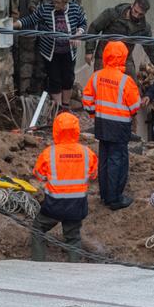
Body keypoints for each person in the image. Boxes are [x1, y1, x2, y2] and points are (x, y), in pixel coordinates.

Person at [31, 112, 98, 262]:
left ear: (56, 130)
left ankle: (37, 265)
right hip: (77, 205)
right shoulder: (87, 153)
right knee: (73, 238)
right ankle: (73, 270)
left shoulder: (49, 153)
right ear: (76, 130)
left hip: (54, 204)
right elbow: (93, 175)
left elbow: (39, 175)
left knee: (37, 229)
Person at [82, 41, 141, 210]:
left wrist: (95, 114)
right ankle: (115, 199)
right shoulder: (125, 81)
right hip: (120, 125)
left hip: (101, 124)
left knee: (105, 159)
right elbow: (135, 106)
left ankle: (105, 195)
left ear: (106, 55)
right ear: (123, 57)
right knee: (118, 160)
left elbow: (87, 100)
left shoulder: (97, 76)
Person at [15, 0, 87, 111]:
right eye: (54, 1)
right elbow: (32, 19)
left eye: (58, 3)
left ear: (65, 2)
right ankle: (58, 108)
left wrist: (78, 34)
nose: (55, 4)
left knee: (68, 78)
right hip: (51, 52)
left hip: (68, 52)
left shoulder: (75, 9)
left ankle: (65, 106)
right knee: (55, 79)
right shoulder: (46, 9)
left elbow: (83, 23)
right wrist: (16, 24)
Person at [83, 0, 154, 76]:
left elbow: (151, 49)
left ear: (145, 13)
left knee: (132, 85)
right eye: (135, 11)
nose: (136, 15)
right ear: (132, 5)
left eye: (140, 14)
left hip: (125, 59)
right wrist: (89, 51)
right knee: (102, 83)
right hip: (104, 56)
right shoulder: (112, 14)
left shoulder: (144, 28)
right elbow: (94, 28)